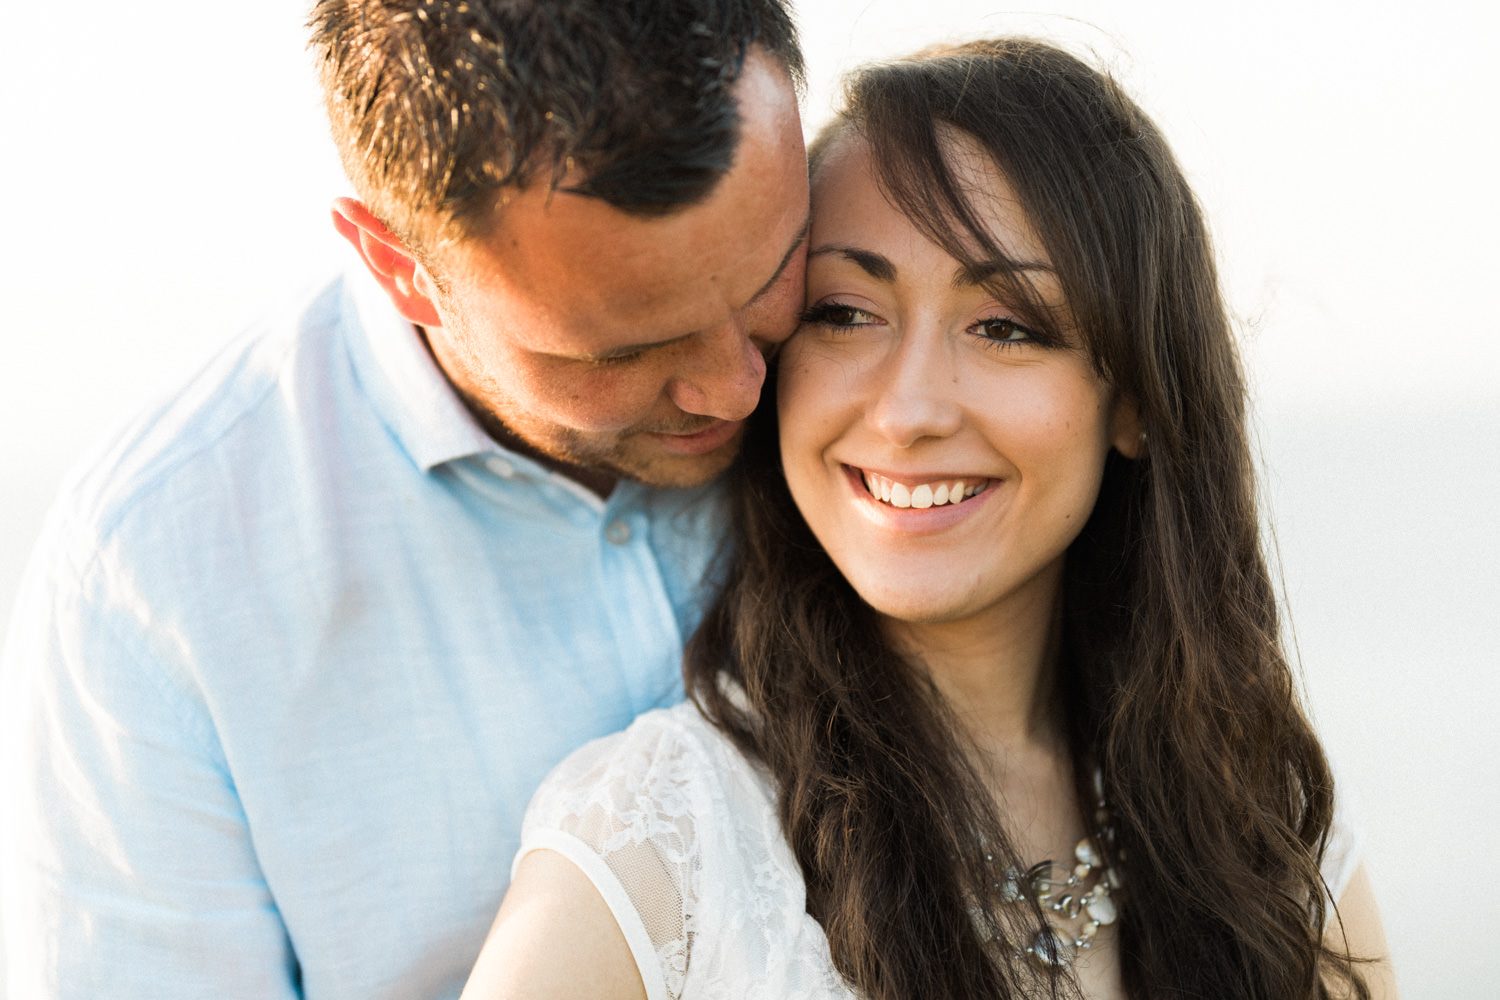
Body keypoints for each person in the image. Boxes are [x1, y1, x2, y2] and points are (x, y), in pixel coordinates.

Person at [460, 37, 1398, 1000]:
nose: (908, 411)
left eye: (1005, 327)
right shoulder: (655, 845)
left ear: (1137, 401)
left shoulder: (1258, 810)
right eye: (845, 313)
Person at [0, 2, 807, 997]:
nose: (736, 388)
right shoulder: (151, 578)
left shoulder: (901, 384)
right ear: (399, 266)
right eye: (624, 350)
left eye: (775, 272)